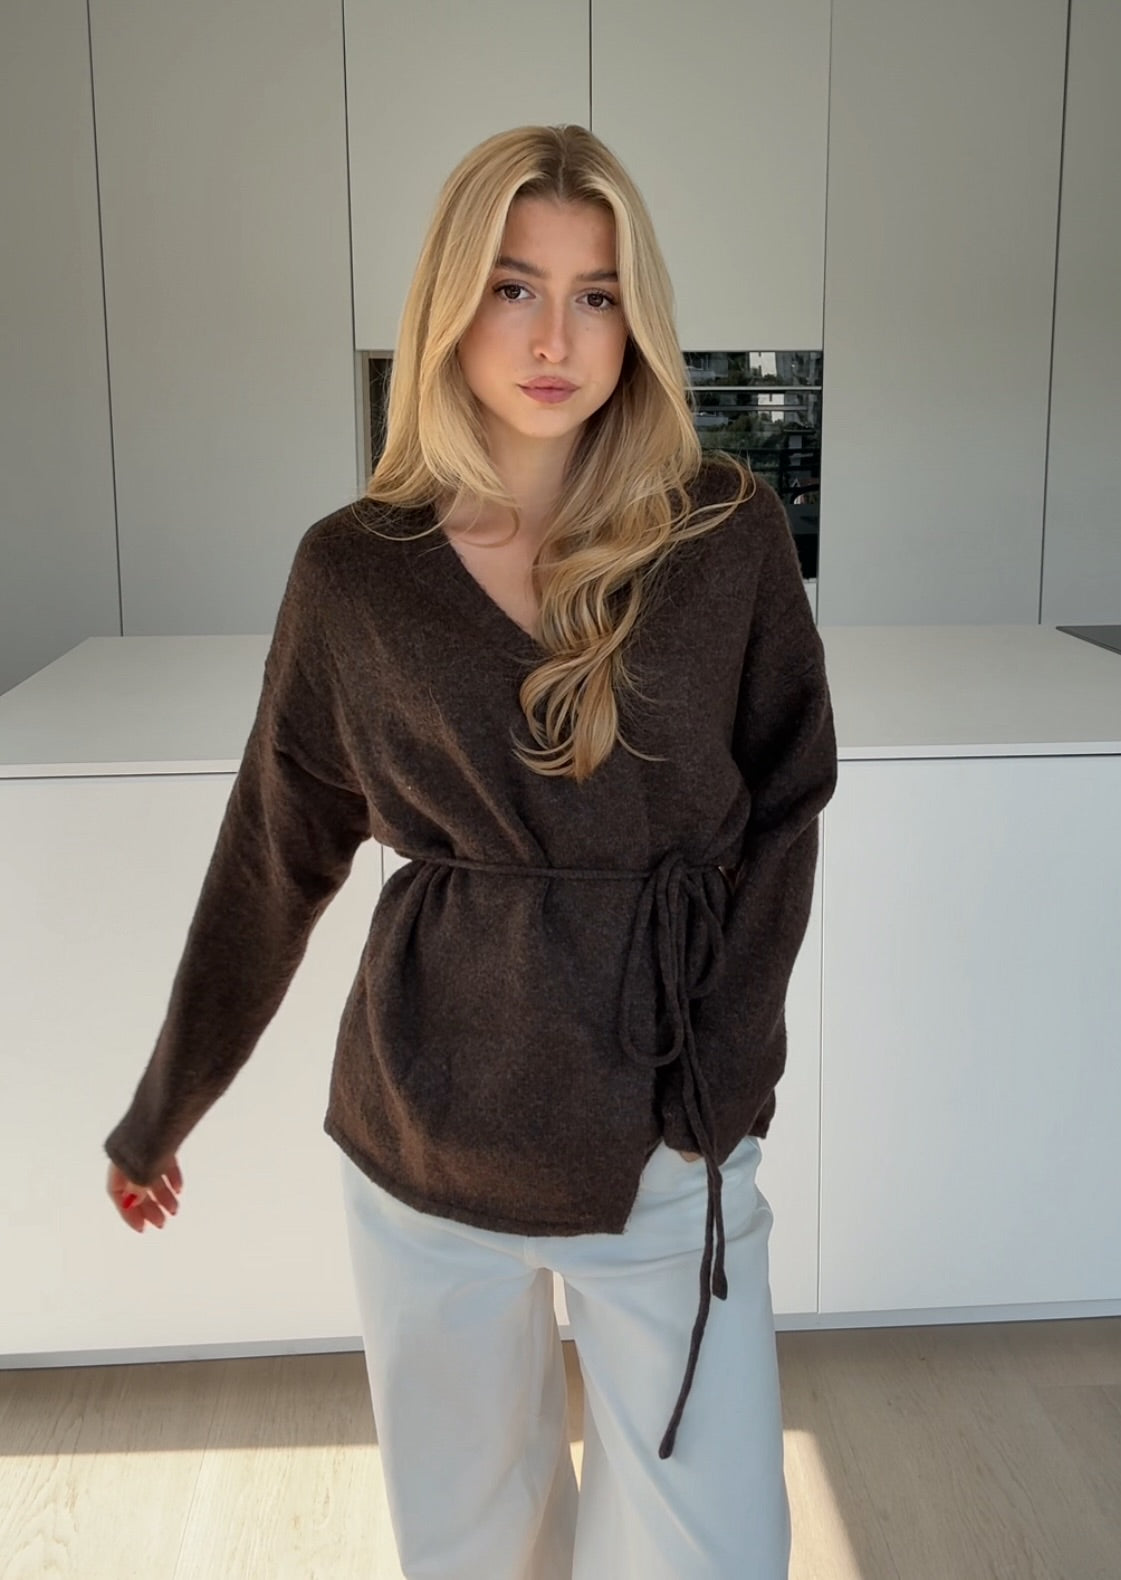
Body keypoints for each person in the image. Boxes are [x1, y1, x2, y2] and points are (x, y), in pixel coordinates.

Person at [104, 123, 838, 1579]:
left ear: (638, 316)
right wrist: (162, 1108)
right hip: (426, 1126)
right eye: (514, 287)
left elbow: (786, 800)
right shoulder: (354, 570)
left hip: (666, 1126)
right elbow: (277, 848)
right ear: (449, 300)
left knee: (711, 1548)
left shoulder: (725, 533)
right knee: (472, 1547)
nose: (556, 337)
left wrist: (725, 1073)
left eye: (595, 293)